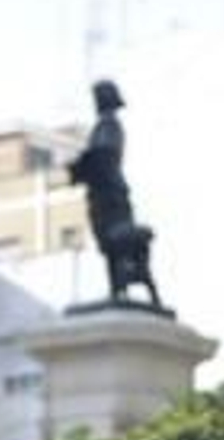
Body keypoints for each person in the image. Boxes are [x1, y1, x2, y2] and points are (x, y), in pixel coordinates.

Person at [67, 79, 162, 309]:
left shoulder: (109, 126)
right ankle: (117, 288)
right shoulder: (104, 126)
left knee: (112, 239)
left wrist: (83, 164)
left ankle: (123, 285)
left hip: (110, 194)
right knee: (108, 242)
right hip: (102, 193)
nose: (96, 103)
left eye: (99, 97)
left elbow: (104, 155)